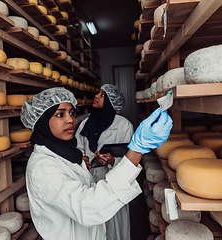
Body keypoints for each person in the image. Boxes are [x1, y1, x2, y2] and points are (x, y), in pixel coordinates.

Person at [20, 87, 172, 240]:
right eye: (60, 114)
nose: (70, 120)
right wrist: (137, 150)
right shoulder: (42, 168)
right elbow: (87, 207)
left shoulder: (65, 152)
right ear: (42, 123)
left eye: (72, 113)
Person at [75, 84, 134, 240]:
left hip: (112, 183)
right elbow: (77, 147)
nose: (97, 95)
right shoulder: (85, 123)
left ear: (110, 102)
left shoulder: (124, 125)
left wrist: (113, 160)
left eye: (102, 94)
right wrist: (82, 159)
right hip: (89, 181)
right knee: (94, 227)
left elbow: (131, 158)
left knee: (114, 228)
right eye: (99, 92)